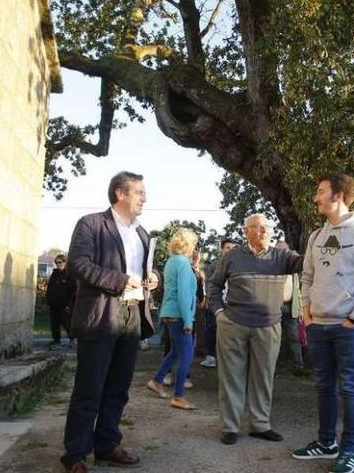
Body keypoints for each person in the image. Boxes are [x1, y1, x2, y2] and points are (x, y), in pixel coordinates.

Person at [60, 172, 159, 473]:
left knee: (118, 387)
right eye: (139, 192)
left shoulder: (143, 234)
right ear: (120, 193)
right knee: (89, 387)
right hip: (101, 314)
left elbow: (142, 271)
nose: (144, 198)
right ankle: (75, 454)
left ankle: (107, 445)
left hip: (132, 314)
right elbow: (78, 264)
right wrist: (119, 281)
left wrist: (154, 278)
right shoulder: (91, 224)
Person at [293, 174, 354, 473]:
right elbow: (306, 277)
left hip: (348, 327)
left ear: (339, 196)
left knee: (350, 388)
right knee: (323, 387)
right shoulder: (316, 237)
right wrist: (307, 310)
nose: (315, 197)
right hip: (318, 325)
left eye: (320, 191)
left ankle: (349, 451)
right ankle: (325, 442)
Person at [207, 214, 304, 445]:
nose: (264, 231)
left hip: (268, 325)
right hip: (233, 323)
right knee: (231, 377)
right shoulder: (232, 256)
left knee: (264, 377)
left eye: (267, 228)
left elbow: (306, 262)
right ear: (246, 231)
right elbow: (214, 285)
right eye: (258, 228)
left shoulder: (282, 255)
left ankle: (259, 425)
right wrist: (219, 313)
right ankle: (230, 427)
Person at [147, 229, 199, 410]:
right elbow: (184, 294)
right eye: (193, 243)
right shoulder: (183, 263)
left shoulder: (171, 261)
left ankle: (157, 380)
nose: (194, 247)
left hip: (168, 313)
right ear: (187, 245)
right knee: (187, 354)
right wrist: (188, 321)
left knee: (176, 352)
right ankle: (178, 396)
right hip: (179, 315)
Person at [201, 239, 236, 368]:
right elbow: (209, 285)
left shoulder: (239, 265)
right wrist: (210, 301)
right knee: (212, 329)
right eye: (227, 247)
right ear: (222, 249)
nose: (230, 250)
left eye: (233, 248)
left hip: (233, 304)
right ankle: (211, 356)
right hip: (216, 303)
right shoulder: (213, 265)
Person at [275, 240, 307, 375]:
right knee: (273, 339)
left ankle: (299, 367)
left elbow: (298, 290)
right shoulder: (271, 266)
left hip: (291, 307)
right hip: (275, 307)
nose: (283, 252)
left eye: (284, 250)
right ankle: (271, 368)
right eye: (279, 250)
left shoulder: (294, 269)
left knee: (294, 337)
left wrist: (300, 309)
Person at [46, 254, 75, 350]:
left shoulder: (70, 275)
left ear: (65, 262)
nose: (58, 264)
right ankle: (56, 341)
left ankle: (73, 339)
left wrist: (69, 304)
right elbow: (50, 288)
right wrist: (49, 300)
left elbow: (73, 291)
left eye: (59, 262)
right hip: (54, 304)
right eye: (56, 262)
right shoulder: (55, 274)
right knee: (54, 323)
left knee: (67, 323)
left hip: (65, 305)